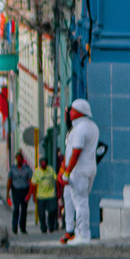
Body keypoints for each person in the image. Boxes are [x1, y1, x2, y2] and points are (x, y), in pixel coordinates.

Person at [58, 98, 100, 244]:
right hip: (88, 169)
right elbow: (69, 151)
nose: (70, 113)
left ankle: (83, 234)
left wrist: (66, 172)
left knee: (80, 202)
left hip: (79, 171)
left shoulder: (81, 129)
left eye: (73, 110)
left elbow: (75, 153)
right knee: (72, 198)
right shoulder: (90, 127)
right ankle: (74, 231)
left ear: (80, 112)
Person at [8, 151, 33, 234]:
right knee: (16, 209)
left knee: (24, 210)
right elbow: (9, 181)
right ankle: (14, 227)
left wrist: (29, 194)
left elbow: (30, 182)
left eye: (20, 158)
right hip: (16, 191)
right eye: (17, 158)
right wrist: (7, 194)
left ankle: (23, 227)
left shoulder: (27, 169)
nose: (19, 160)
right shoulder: (12, 169)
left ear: (22, 159)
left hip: (24, 190)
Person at [32, 156, 59, 233]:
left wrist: (58, 191)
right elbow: (33, 184)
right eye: (42, 163)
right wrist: (34, 196)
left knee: (52, 211)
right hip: (41, 196)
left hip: (51, 194)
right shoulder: (37, 172)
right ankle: (43, 227)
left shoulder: (50, 170)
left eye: (44, 163)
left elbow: (56, 179)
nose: (43, 165)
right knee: (41, 214)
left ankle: (51, 226)